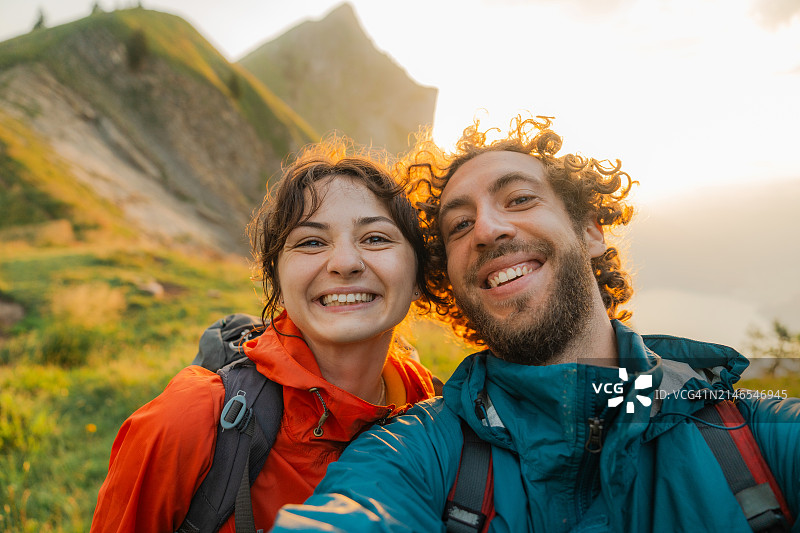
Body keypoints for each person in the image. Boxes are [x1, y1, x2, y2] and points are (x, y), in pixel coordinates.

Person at [269, 116, 800, 532]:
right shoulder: (414, 453)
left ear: (591, 230)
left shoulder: (760, 439)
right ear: (449, 280)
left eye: (519, 199)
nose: (488, 229)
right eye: (459, 225)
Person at [90, 138, 440, 532]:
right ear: (278, 280)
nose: (344, 263)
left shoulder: (436, 416)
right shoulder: (184, 422)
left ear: (417, 279)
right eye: (311, 242)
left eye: (375, 238)